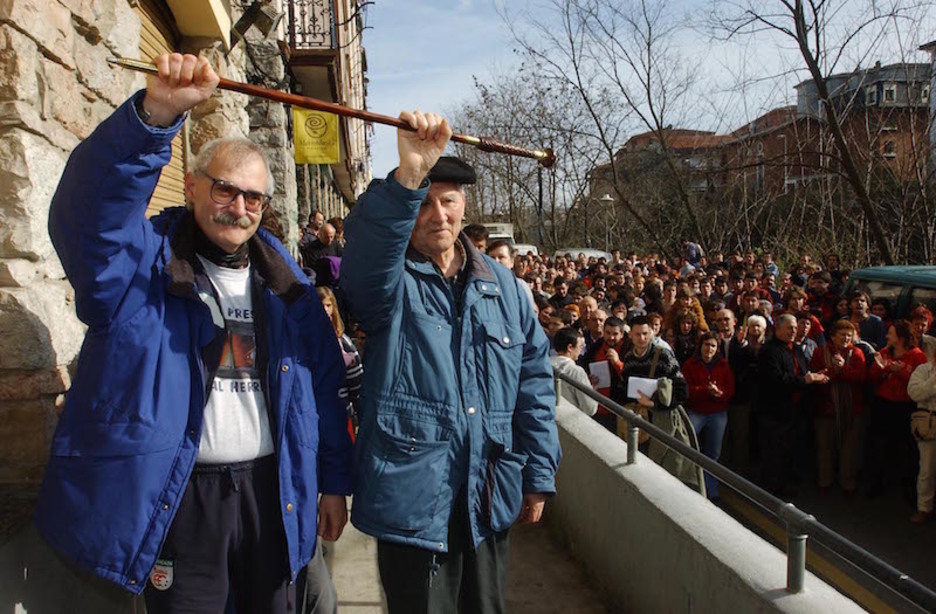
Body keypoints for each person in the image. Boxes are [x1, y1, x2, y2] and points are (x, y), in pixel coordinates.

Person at [35, 53, 352, 611]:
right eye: (225, 190)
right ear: (191, 186)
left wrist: (331, 481)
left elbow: (323, 388)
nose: (239, 208)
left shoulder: (287, 285)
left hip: (271, 491)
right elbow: (89, 218)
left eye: (253, 198)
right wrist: (154, 115)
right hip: (181, 500)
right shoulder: (139, 267)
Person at [340, 112, 560, 614]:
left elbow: (534, 386)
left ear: (465, 208)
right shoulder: (390, 283)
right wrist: (409, 175)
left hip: (487, 493)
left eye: (449, 202)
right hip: (413, 499)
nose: (437, 215)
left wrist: (539, 473)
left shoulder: (503, 288)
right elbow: (366, 259)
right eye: (423, 203)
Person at [755, 314, 829, 497]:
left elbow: (802, 371)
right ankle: (774, 488)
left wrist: (814, 376)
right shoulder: (769, 351)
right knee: (775, 451)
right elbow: (776, 379)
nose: (794, 331)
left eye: (795, 327)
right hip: (775, 410)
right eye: (790, 328)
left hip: (796, 409)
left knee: (792, 447)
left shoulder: (796, 349)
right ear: (778, 329)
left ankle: (790, 481)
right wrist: (805, 380)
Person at [866, 320, 927, 500]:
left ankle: (907, 486)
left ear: (900, 337)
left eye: (890, 334)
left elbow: (919, 385)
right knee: (880, 445)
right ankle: (878, 482)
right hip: (883, 404)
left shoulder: (917, 357)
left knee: (906, 449)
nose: (887, 337)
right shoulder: (885, 352)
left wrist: (900, 372)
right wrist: (881, 369)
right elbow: (872, 377)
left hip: (904, 407)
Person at [808, 320, 866, 494]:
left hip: (850, 410)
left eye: (849, 335)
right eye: (842, 335)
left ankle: (847, 483)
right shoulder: (820, 352)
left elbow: (862, 377)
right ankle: (824, 481)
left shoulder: (857, 353)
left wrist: (843, 370)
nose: (846, 338)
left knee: (849, 449)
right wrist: (834, 370)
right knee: (824, 448)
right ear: (832, 337)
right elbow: (817, 376)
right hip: (825, 408)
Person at [683, 332, 735, 500]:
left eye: (713, 345)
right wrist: (704, 390)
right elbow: (686, 390)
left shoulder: (723, 365)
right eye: (706, 345)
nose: (709, 349)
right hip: (696, 412)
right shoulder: (690, 365)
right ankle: (689, 483)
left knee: (713, 453)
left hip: (717, 413)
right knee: (688, 447)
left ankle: (711, 490)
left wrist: (720, 393)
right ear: (700, 346)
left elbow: (729, 389)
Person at [906, 344, 936, 524]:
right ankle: (924, 507)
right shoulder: (923, 369)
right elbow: (914, 393)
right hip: (928, 423)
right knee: (927, 469)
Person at [551, 327, 599, 416]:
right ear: (570, 347)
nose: (581, 350)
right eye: (580, 346)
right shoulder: (575, 371)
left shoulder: (544, 366)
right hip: (569, 420)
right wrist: (592, 390)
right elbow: (590, 408)